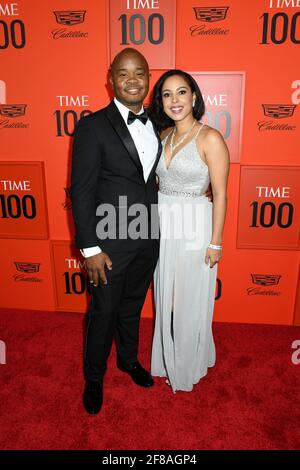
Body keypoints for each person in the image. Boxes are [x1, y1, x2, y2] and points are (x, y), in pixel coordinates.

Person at [70, 48, 162, 415]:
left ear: (148, 77)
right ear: (110, 79)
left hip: (148, 238)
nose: (132, 80)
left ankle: (127, 359)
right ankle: (94, 377)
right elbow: (81, 191)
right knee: (102, 312)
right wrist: (90, 249)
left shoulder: (158, 123)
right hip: (108, 242)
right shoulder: (93, 126)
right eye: (123, 73)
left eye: (139, 72)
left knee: (131, 307)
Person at [149, 70, 230, 393]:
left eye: (182, 92)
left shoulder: (210, 137)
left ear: (194, 97)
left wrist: (216, 242)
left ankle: (185, 366)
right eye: (167, 95)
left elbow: (221, 194)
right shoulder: (163, 136)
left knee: (188, 300)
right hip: (163, 224)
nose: (175, 100)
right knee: (166, 299)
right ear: (161, 102)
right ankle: (169, 357)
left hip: (195, 224)